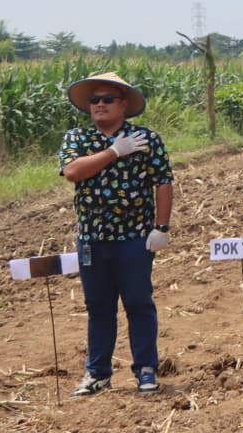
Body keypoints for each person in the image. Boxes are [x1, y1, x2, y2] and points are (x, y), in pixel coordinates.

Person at [59, 72, 173, 396]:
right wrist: (113, 152)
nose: (99, 105)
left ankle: (146, 369)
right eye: (94, 100)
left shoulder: (146, 139)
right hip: (92, 239)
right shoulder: (77, 139)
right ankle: (97, 373)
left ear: (123, 104)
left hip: (134, 237)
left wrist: (161, 227)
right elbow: (72, 172)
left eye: (107, 99)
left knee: (138, 303)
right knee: (98, 307)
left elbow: (163, 182)